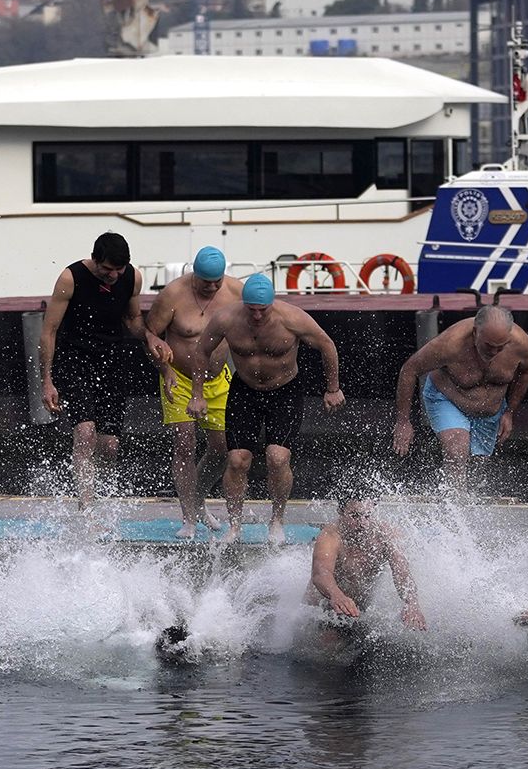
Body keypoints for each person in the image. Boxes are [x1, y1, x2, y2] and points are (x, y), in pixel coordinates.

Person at [188, 273, 344, 544]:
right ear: (243, 304)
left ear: (272, 303)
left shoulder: (292, 318)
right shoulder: (227, 319)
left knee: (278, 457)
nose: (257, 316)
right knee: (237, 460)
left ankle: (277, 521)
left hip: (285, 391)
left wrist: (332, 388)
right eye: (252, 310)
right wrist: (197, 395)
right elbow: (202, 351)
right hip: (244, 390)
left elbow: (326, 345)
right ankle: (235, 527)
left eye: (263, 310)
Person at [38, 232, 171, 508]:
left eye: (118, 270)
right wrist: (47, 380)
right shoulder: (70, 278)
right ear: (95, 259)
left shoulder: (132, 277)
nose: (113, 275)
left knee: (110, 446)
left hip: (112, 360)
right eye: (107, 269)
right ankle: (87, 507)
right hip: (75, 360)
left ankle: (103, 502)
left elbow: (133, 319)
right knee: (86, 432)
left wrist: (150, 336)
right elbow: (49, 331)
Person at [145, 246, 244, 538]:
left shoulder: (236, 292)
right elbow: (150, 335)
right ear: (194, 275)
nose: (212, 288)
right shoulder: (173, 295)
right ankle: (188, 516)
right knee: (184, 443)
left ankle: (198, 499)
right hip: (180, 379)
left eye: (217, 282)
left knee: (222, 449)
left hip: (217, 380)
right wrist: (165, 370)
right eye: (205, 282)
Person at [390, 305, 528, 490]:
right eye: (488, 346)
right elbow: (409, 370)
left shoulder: (522, 345)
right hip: (447, 399)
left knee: (477, 467)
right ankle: (454, 503)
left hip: (490, 411)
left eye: (500, 347)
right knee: (457, 451)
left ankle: (466, 500)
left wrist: (509, 412)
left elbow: (525, 373)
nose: (493, 352)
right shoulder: (450, 343)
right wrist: (403, 421)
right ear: (475, 333)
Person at [307, 496, 425, 633]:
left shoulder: (385, 534)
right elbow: (321, 573)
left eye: (367, 516)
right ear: (341, 512)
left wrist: (411, 603)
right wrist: (336, 595)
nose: (362, 523)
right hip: (325, 608)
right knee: (329, 641)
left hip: (359, 611)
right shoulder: (330, 536)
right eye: (355, 516)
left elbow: (402, 572)